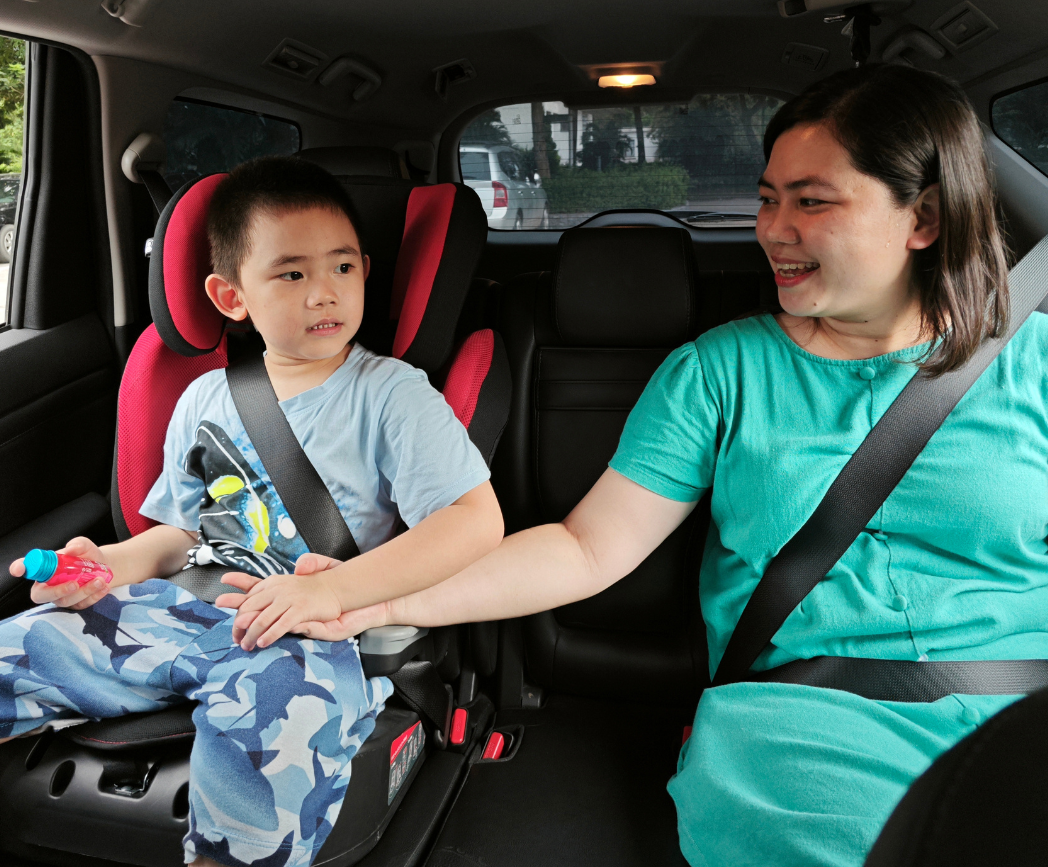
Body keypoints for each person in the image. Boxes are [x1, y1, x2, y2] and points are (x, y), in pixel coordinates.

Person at [295, 64, 1048, 866]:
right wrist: (372, 595)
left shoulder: (1032, 358)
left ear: (923, 217)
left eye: (811, 202)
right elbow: (586, 548)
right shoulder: (719, 372)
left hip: (1022, 707)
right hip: (805, 728)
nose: (772, 229)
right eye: (767, 198)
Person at [3, 156, 504, 867]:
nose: (323, 292)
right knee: (18, 646)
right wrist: (107, 565)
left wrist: (332, 590)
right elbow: (178, 534)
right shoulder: (203, 398)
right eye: (291, 274)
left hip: (315, 629)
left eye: (342, 268)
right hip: (186, 609)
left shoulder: (392, 393)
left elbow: (475, 520)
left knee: (273, 744)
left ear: (366, 272)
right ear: (231, 296)